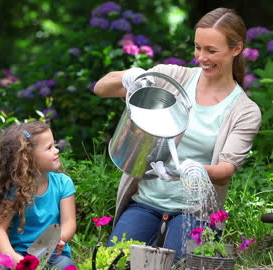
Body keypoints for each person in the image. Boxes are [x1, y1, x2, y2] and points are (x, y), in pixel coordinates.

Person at [93, 7, 261, 260]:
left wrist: (190, 170)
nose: (201, 57)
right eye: (197, 47)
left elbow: (225, 172)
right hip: (146, 202)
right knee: (114, 260)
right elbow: (101, 88)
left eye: (212, 51)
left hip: (194, 212)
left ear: (236, 49)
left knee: (180, 265)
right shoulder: (173, 78)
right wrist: (129, 76)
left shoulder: (244, 110)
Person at [0, 121, 77, 269]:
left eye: (54, 145)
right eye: (49, 148)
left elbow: (69, 222)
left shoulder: (63, 184)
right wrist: (14, 259)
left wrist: (59, 239)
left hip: (53, 254)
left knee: (65, 265)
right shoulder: (15, 190)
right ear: (28, 158)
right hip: (20, 254)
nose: (56, 150)